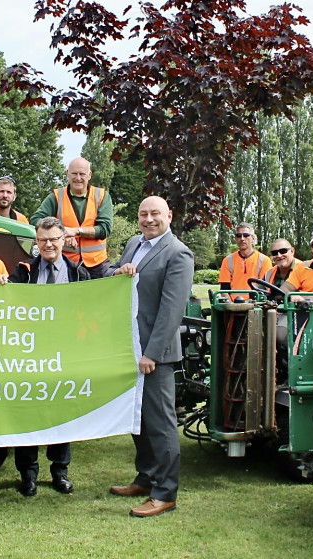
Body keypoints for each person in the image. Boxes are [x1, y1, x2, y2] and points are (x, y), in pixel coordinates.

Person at [108, 196, 194, 518]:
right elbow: (116, 278)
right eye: (143, 214)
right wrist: (120, 270)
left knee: (160, 424)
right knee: (138, 421)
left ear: (168, 215)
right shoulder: (132, 243)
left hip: (154, 355)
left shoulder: (178, 253)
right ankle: (145, 478)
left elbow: (171, 312)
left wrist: (151, 353)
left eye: (155, 213)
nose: (148, 219)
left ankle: (165, 493)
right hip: (129, 348)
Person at [8, 217, 89, 497]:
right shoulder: (23, 271)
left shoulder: (79, 273)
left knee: (60, 411)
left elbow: (89, 312)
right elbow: (6, 305)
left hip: (64, 352)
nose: (48, 245)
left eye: (53, 239)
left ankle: (60, 472)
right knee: (28, 412)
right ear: (36, 242)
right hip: (29, 352)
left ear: (63, 239)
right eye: (42, 240)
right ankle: (28, 475)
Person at [30, 157, 113, 279]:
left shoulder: (101, 196)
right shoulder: (56, 197)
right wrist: (62, 233)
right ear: (67, 174)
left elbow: (105, 229)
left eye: (82, 174)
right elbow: (36, 220)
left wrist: (75, 231)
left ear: (89, 175)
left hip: (97, 264)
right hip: (65, 263)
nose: (78, 178)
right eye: (74, 173)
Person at [218, 222, 273, 293]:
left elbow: (266, 288)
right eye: (239, 235)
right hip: (232, 303)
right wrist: (230, 303)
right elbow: (224, 290)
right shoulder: (228, 260)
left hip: (256, 302)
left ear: (253, 238)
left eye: (246, 235)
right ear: (236, 238)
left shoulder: (264, 260)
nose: (242, 239)